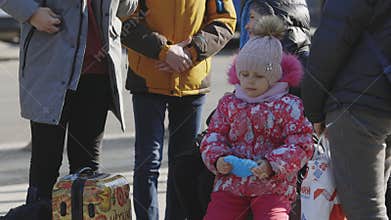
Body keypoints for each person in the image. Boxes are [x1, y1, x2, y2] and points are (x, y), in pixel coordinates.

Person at [0, 0, 137, 219]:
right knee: (45, 165)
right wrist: (32, 13)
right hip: (50, 68)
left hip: (99, 70)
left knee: (87, 169)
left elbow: (128, 8)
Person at [120, 1, 236, 219]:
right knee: (147, 161)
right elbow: (125, 20)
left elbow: (225, 21)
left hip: (191, 83)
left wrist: (190, 52)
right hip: (147, 80)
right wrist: (163, 51)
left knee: (182, 164)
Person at [200, 15, 313, 219]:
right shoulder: (230, 103)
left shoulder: (288, 106)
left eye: (259, 76)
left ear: (274, 76)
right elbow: (213, 136)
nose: (249, 81)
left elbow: (301, 145)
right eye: (244, 74)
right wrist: (218, 159)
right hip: (231, 184)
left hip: (273, 187)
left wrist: (271, 164)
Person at [301, 0, 391, 219]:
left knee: (365, 209)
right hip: (378, 100)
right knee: (374, 199)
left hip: (359, 105)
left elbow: (331, 43)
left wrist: (313, 110)